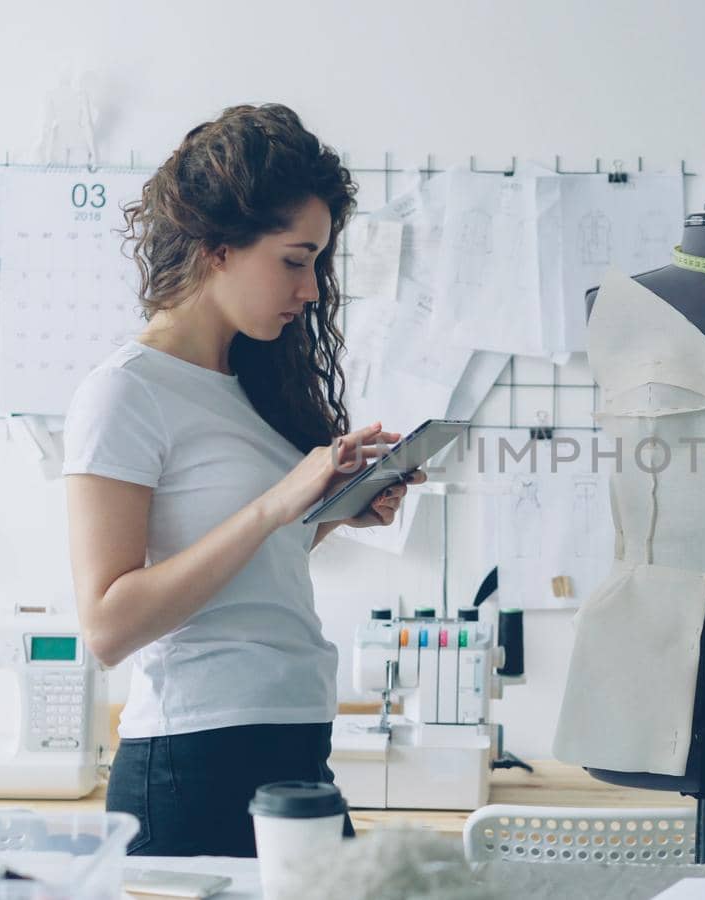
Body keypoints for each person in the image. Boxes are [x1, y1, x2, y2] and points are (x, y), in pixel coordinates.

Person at [61, 103, 420, 856]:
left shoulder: (249, 381)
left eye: (319, 262)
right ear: (217, 246)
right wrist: (278, 505)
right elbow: (107, 626)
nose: (313, 289)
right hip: (193, 764)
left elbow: (243, 577)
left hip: (294, 743)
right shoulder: (125, 392)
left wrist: (328, 515)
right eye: (295, 259)